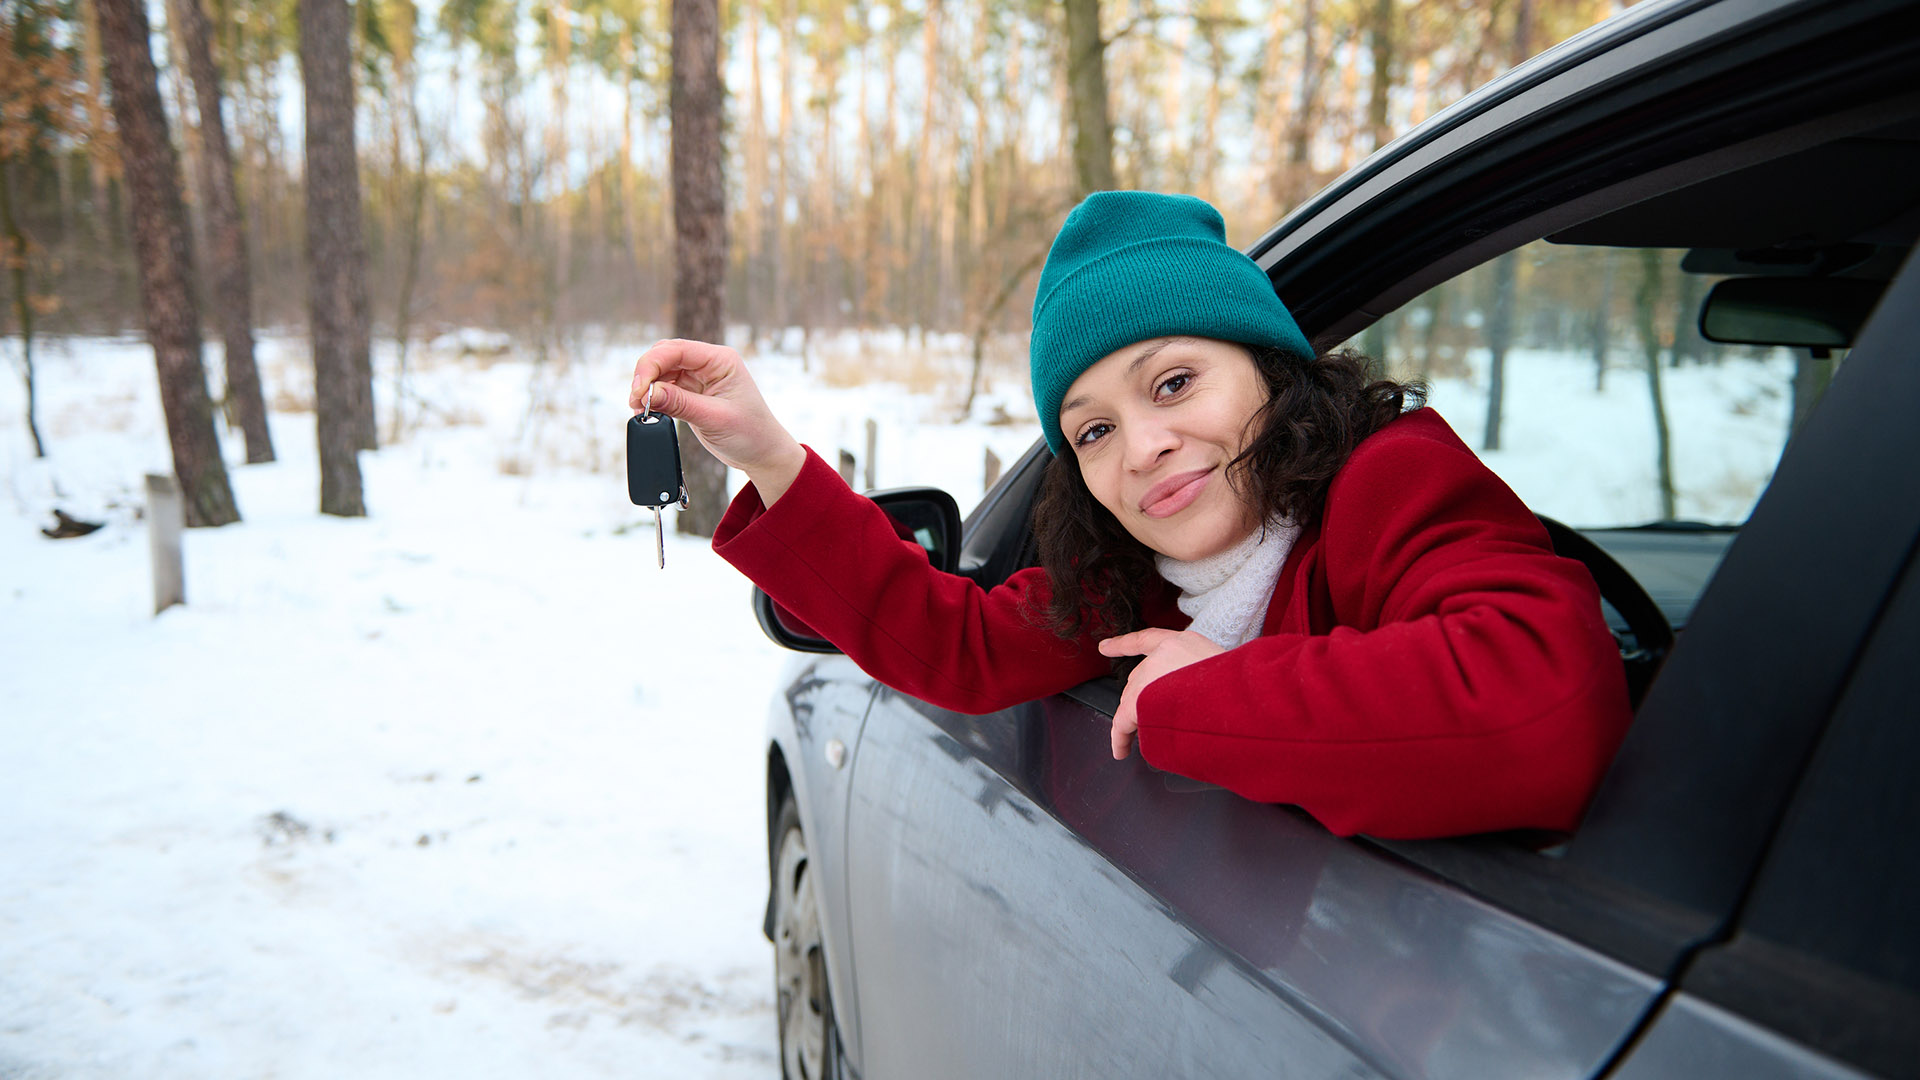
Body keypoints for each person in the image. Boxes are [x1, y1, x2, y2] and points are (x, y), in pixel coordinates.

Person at [627, 191, 1632, 840]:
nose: (1141, 444)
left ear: (1276, 375)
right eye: (1092, 431)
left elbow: (1540, 696)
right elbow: (957, 646)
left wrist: (1212, 694)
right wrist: (766, 454)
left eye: (1176, 382)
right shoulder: (1138, 587)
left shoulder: (1390, 481)